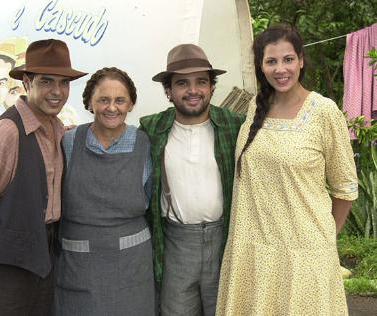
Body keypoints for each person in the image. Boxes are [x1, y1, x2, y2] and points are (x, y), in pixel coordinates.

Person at [216, 24, 358, 315]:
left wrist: (324, 240)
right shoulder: (254, 105)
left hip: (304, 256)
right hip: (252, 253)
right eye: (271, 61)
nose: (281, 69)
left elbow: (345, 188)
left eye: (288, 59)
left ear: (301, 60)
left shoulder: (324, 111)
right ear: (260, 66)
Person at [0, 38, 87, 316]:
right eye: (47, 82)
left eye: (64, 83)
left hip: (45, 255)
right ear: (27, 83)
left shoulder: (58, 129)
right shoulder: (5, 133)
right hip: (7, 261)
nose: (57, 91)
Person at [139, 44, 245, 316]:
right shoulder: (151, 128)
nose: (193, 90)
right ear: (168, 90)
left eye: (201, 81)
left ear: (211, 87)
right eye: (182, 83)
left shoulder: (235, 125)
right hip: (175, 243)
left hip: (225, 241)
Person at [55, 67, 155, 315]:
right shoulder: (69, 141)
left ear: (131, 104)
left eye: (120, 100)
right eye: (103, 100)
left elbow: (152, 195)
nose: (112, 107)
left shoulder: (144, 143)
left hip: (132, 264)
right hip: (79, 264)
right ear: (90, 102)